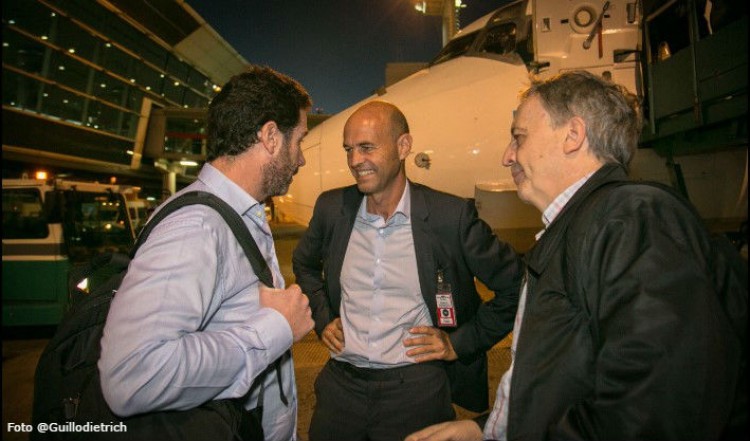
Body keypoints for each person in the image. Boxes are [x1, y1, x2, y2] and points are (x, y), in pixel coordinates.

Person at [406, 70, 747, 441]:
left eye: (519, 137)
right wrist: (488, 428)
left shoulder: (633, 219)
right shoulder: (587, 226)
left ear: (573, 135)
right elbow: (568, 383)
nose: (507, 156)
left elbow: (653, 410)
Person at [99, 65, 315, 441]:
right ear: (270, 136)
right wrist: (275, 328)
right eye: (299, 141)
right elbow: (133, 375)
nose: (301, 159)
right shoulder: (196, 228)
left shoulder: (237, 214)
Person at [292, 101, 523, 441]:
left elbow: (517, 286)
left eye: (367, 147)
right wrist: (324, 317)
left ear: (403, 146)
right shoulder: (332, 208)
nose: (355, 161)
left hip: (415, 389)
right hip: (341, 387)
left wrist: (458, 343)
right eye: (349, 149)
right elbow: (304, 264)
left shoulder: (450, 216)